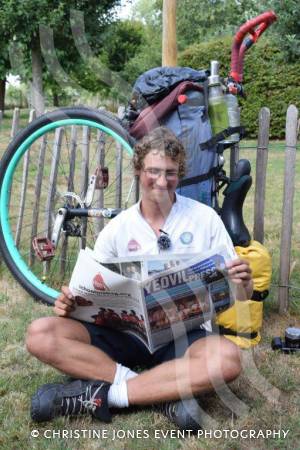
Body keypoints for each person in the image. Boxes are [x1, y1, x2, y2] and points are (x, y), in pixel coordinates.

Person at [26, 127, 253, 430]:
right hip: (124, 335)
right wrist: (68, 304)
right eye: (153, 171)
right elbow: (88, 293)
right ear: (138, 170)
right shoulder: (118, 229)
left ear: (180, 173)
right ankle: (163, 394)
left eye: (170, 173)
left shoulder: (204, 218)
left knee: (227, 359)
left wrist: (243, 281)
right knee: (40, 333)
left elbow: (241, 294)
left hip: (184, 334)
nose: (161, 181)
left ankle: (113, 394)